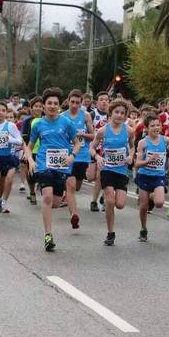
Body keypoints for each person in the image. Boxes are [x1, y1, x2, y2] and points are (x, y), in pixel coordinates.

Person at [26, 87, 80, 252]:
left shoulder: (66, 123)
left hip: (62, 167)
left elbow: (77, 143)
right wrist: (30, 161)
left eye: (55, 103)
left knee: (55, 203)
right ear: (43, 106)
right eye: (49, 103)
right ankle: (48, 235)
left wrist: (72, 156)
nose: (52, 106)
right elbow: (28, 146)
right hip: (43, 164)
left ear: (59, 105)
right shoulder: (38, 124)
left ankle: (60, 197)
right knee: (47, 198)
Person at [91, 99, 135, 246]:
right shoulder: (103, 131)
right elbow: (92, 148)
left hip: (122, 171)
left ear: (125, 115)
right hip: (107, 169)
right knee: (111, 202)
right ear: (111, 114)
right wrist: (97, 157)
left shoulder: (128, 131)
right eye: (117, 112)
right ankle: (110, 233)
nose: (119, 115)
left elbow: (132, 147)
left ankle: (108, 195)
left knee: (120, 204)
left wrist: (130, 155)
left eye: (122, 113)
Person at [135, 114, 169, 241]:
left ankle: (151, 196)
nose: (156, 128)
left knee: (159, 203)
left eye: (157, 125)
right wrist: (148, 161)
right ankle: (143, 229)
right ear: (147, 129)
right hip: (144, 176)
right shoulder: (143, 143)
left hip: (158, 177)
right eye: (152, 126)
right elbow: (137, 164)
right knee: (144, 207)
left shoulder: (165, 140)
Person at [61, 89, 95, 228]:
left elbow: (93, 135)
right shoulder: (62, 116)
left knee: (78, 186)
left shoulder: (85, 115)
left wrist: (82, 134)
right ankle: (74, 214)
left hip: (82, 156)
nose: (74, 105)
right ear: (68, 101)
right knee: (71, 185)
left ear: (81, 104)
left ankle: (66, 195)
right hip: (68, 156)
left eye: (77, 103)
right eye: (72, 102)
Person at [88, 91, 110, 212]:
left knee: (99, 176)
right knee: (90, 177)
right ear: (97, 103)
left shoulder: (112, 115)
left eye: (106, 99)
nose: (104, 102)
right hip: (93, 147)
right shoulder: (92, 114)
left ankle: (94, 201)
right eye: (101, 99)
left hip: (106, 149)